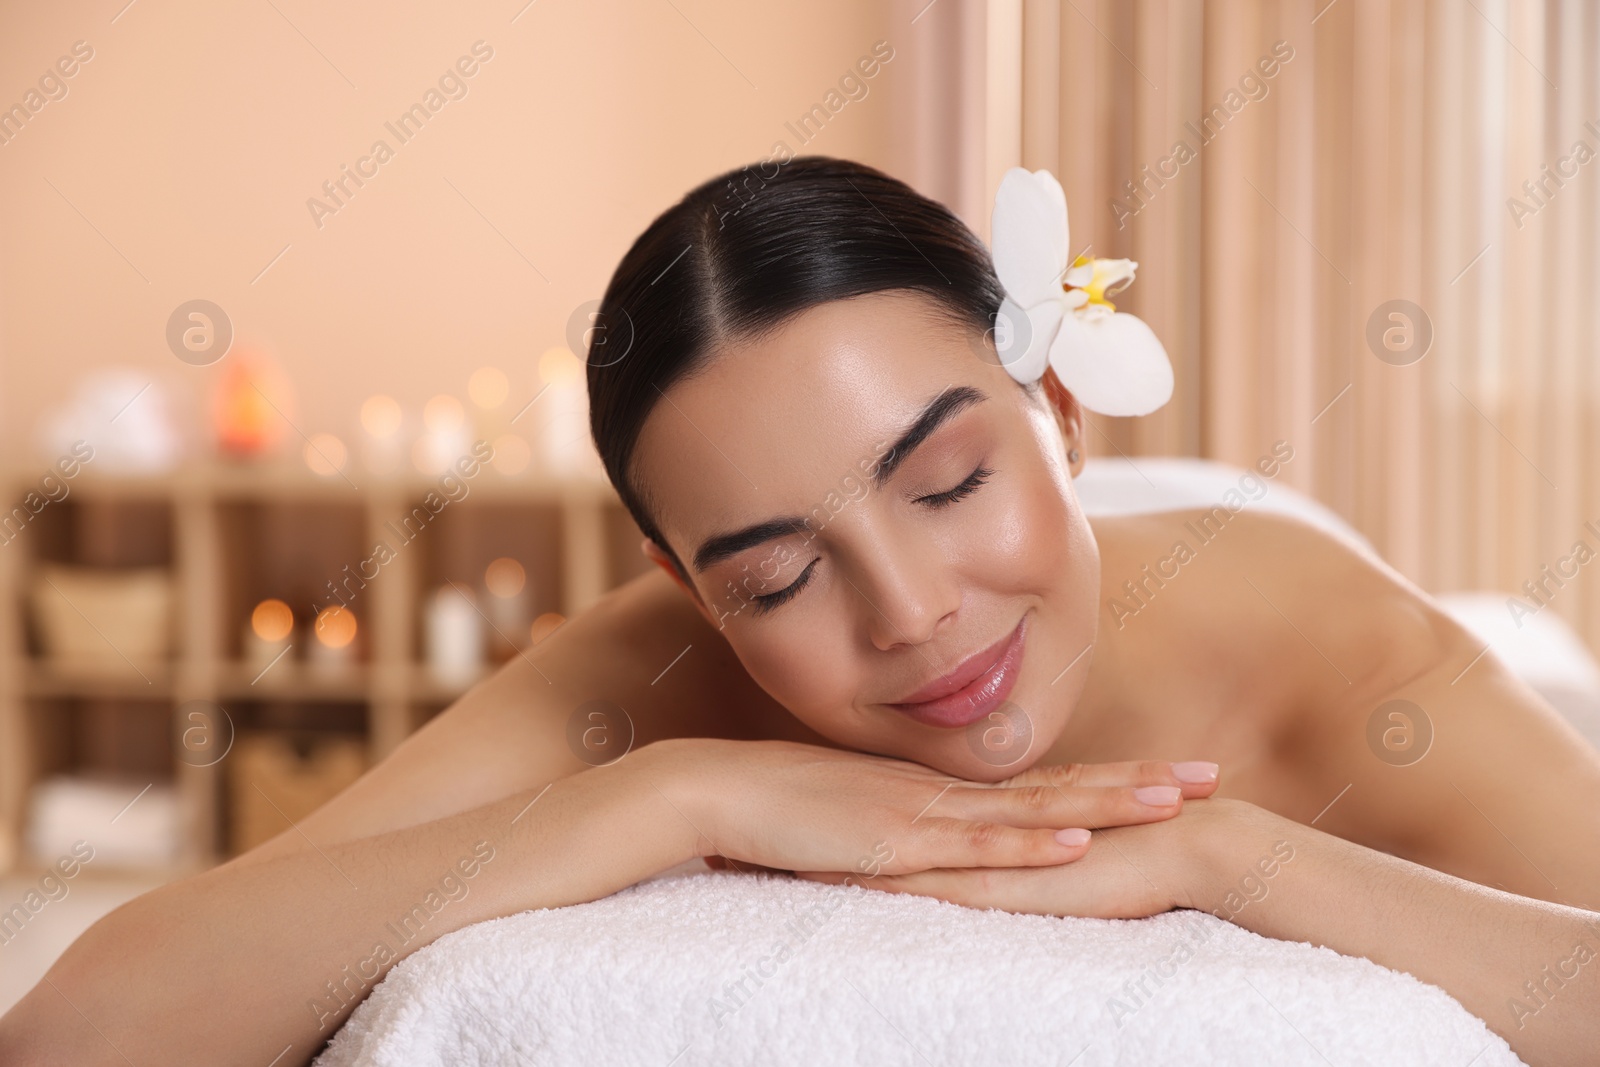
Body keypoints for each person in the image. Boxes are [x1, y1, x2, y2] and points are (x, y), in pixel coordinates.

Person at [4, 156, 1597, 1066]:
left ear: (1057, 408)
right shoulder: (647, 679)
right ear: (683, 586)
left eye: (954, 479)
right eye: (775, 575)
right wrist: (677, 792)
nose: (913, 615)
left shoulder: (1344, 651)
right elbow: (83, 1030)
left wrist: (1226, 855)